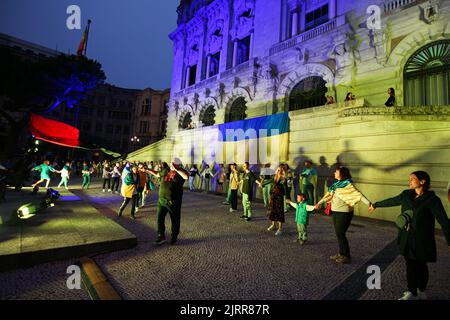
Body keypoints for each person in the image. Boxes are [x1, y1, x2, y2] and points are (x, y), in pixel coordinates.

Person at [369, 171, 450, 300]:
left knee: (421, 265)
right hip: (406, 237)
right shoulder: (406, 195)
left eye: (413, 179)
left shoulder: (432, 200)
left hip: (422, 239)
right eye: (409, 179)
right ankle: (412, 292)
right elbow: (392, 201)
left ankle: (421, 290)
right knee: (410, 265)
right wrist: (376, 204)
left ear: (422, 182)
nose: (410, 181)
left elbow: (444, 220)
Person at [316, 166, 371, 264]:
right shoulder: (336, 185)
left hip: (344, 213)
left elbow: (358, 195)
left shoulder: (348, 184)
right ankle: (341, 253)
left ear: (342, 173)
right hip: (335, 212)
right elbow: (329, 196)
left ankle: (346, 256)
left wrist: (369, 204)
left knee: (341, 234)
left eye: (336, 172)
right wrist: (319, 203)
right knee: (339, 234)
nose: (334, 173)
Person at [147, 158, 188, 245]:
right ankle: (161, 236)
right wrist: (147, 170)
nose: (171, 164)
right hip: (161, 200)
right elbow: (158, 174)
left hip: (173, 201)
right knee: (159, 218)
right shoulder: (166, 170)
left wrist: (176, 169)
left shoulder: (181, 171)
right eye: (171, 162)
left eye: (173, 163)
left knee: (175, 219)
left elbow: (186, 177)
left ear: (178, 164)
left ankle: (174, 236)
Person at [267, 165, 288, 236]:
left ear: (283, 171)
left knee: (279, 212)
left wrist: (287, 198)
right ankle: (273, 225)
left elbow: (285, 188)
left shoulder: (283, 179)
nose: (279, 171)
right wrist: (262, 184)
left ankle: (280, 229)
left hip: (279, 197)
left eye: (281, 170)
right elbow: (270, 181)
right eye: (278, 170)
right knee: (273, 211)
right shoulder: (274, 177)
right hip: (273, 196)